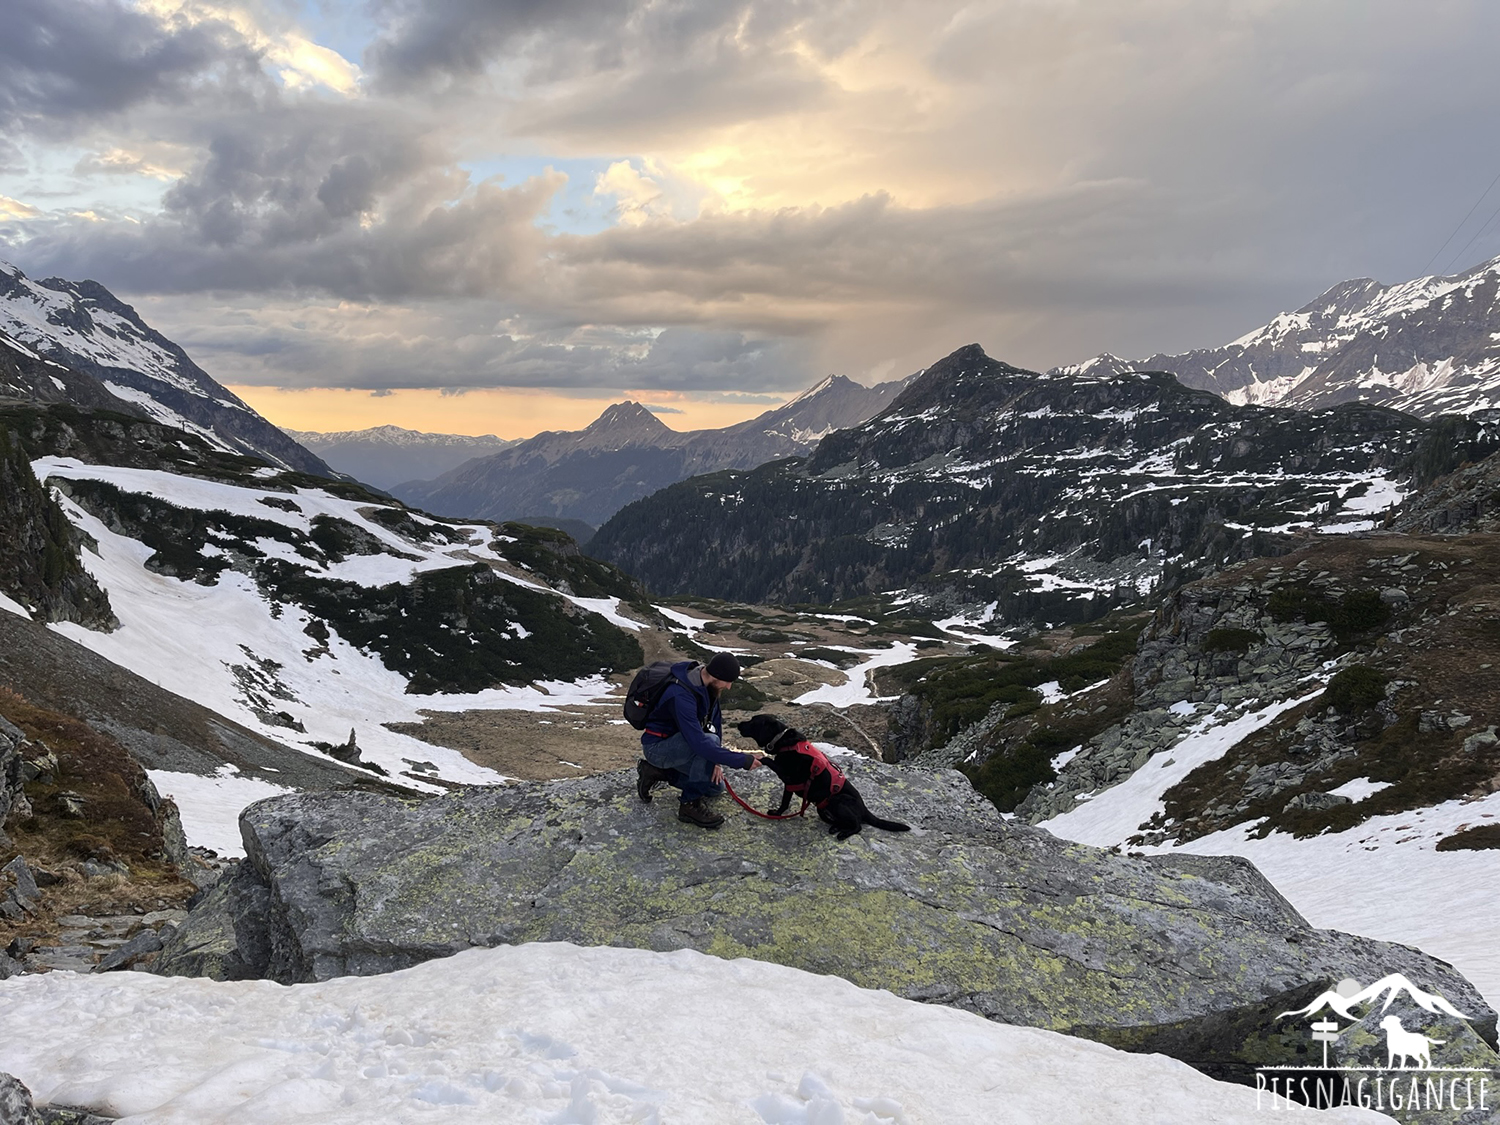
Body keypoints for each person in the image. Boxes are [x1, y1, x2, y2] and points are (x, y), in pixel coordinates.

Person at [635, 652, 760, 828]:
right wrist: (741, 760)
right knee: (707, 743)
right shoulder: (680, 694)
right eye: (728, 681)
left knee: (715, 788)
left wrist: (715, 762)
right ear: (717, 675)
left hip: (681, 747)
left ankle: (655, 772)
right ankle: (689, 805)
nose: (729, 687)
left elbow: (714, 724)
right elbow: (699, 743)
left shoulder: (708, 686)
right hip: (658, 748)